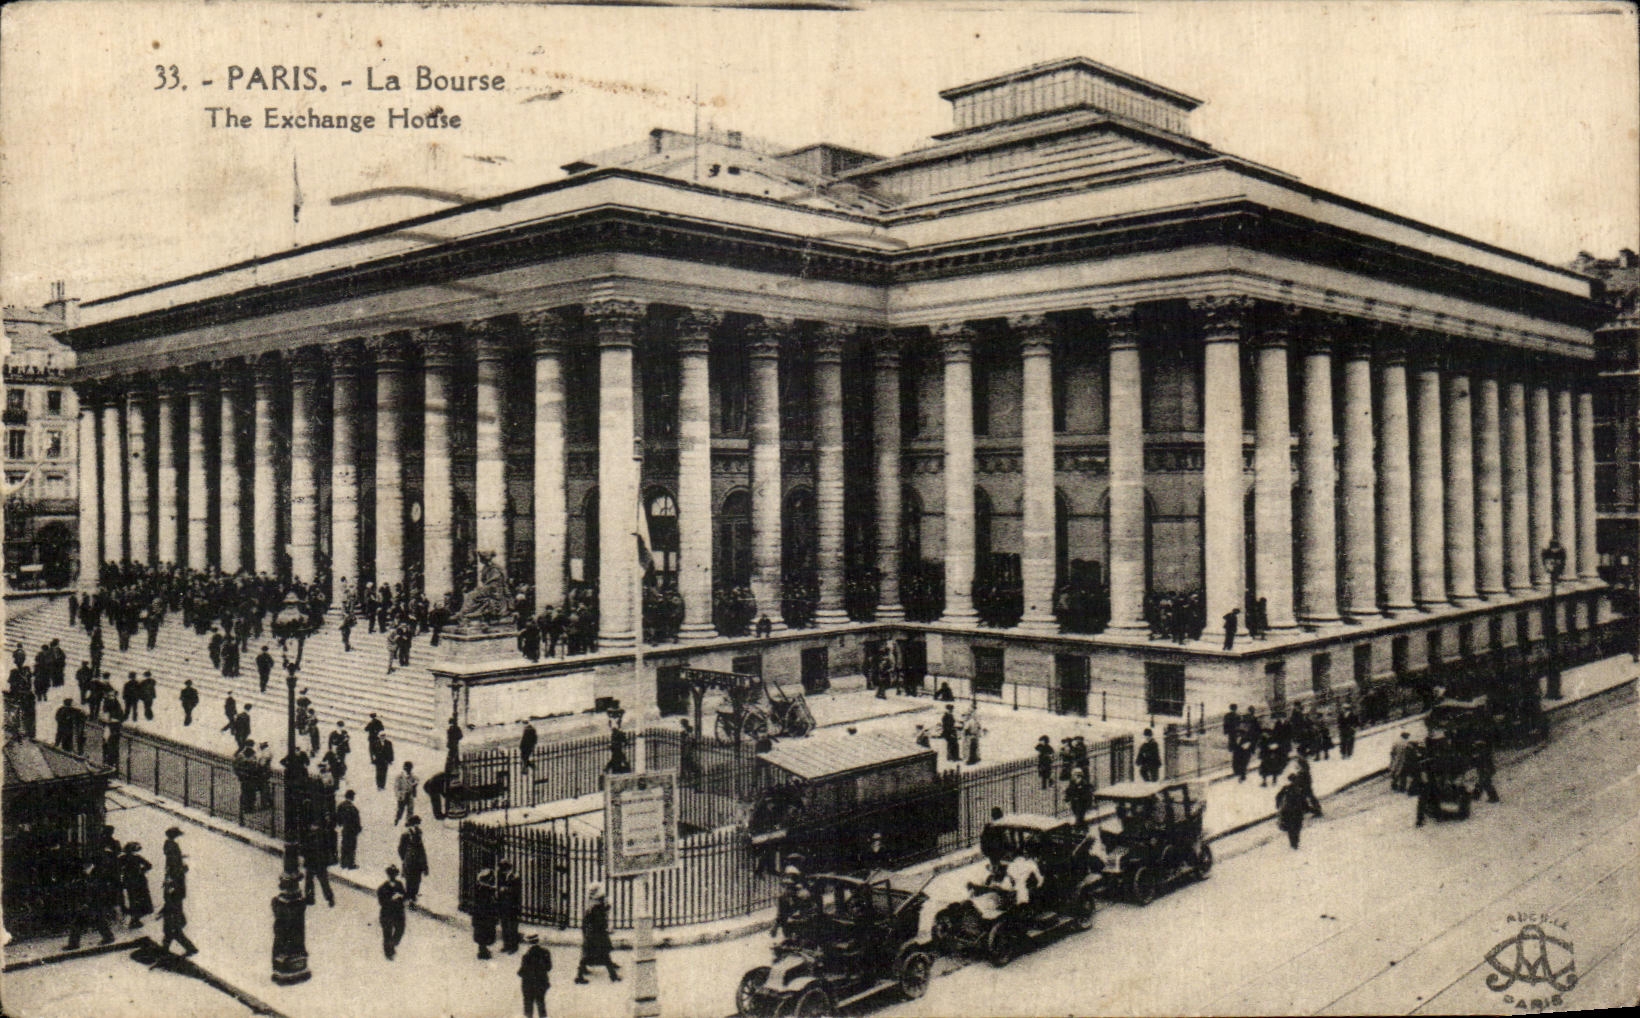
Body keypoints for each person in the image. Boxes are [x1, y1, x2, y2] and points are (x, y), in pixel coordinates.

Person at [64, 855, 117, 950]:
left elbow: (93, 890)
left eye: (86, 867)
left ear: (90, 865)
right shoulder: (88, 876)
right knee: (96, 921)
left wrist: (86, 902)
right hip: (93, 903)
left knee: (81, 922)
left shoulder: (95, 875)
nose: (84, 869)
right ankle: (108, 937)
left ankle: (74, 944)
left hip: (93, 903)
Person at [575, 883, 620, 983]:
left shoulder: (592, 905)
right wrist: (607, 929)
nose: (604, 899)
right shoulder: (596, 907)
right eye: (602, 898)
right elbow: (599, 921)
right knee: (604, 955)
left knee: (587, 955)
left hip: (590, 933)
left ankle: (580, 974)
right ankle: (613, 976)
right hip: (596, 935)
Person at [157, 878, 198, 957]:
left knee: (173, 933)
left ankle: (191, 949)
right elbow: (167, 903)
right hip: (171, 916)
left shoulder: (174, 894)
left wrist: (163, 912)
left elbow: (172, 905)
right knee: (171, 933)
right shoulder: (170, 892)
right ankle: (165, 949)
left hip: (173, 916)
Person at [119, 842, 154, 929]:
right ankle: (136, 920)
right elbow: (149, 865)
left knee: (133, 900)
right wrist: (142, 871)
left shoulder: (122, 858)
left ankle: (134, 920)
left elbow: (117, 868)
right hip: (139, 881)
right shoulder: (137, 858)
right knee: (140, 900)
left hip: (129, 882)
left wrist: (123, 873)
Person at [519, 933, 553, 1018]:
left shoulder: (527, 956)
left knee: (528, 1005)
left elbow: (522, 971)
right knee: (541, 1002)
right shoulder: (545, 952)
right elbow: (549, 967)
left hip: (528, 983)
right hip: (542, 982)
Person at [377, 866, 408, 960]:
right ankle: (388, 953)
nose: (393, 876)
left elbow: (405, 896)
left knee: (400, 929)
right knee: (387, 933)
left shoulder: (399, 884)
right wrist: (392, 899)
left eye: (395, 874)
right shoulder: (382, 888)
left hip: (398, 913)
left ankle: (392, 944)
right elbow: (382, 902)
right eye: (391, 874)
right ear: (388, 875)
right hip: (387, 914)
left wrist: (402, 897)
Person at [397, 815, 430, 903]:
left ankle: (414, 895)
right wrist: (405, 858)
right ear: (410, 824)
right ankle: (410, 895)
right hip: (409, 860)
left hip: (418, 860)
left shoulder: (419, 833)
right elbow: (400, 849)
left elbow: (422, 848)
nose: (416, 826)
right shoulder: (405, 834)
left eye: (417, 824)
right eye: (414, 824)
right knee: (409, 879)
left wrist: (425, 865)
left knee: (417, 879)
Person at [472, 865, 499, 959]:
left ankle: (483, 949)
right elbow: (490, 905)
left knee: (482, 935)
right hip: (485, 919)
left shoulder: (481, 890)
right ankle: (483, 952)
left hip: (481, 919)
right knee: (485, 935)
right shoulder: (485, 892)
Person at [497, 859, 523, 953]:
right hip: (504, 905)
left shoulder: (515, 877)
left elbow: (516, 892)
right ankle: (506, 945)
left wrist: (506, 890)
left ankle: (514, 947)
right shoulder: (502, 875)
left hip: (512, 906)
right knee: (504, 926)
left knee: (513, 927)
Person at [1275, 773, 1307, 849]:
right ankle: (1294, 843)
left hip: (1292, 811)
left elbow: (1278, 797)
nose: (1295, 782)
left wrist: (1278, 805)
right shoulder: (1294, 789)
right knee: (1294, 828)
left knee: (1294, 828)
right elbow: (1279, 797)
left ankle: (1294, 843)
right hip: (1292, 811)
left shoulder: (1290, 789)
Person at [335, 789, 363, 869]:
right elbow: (357, 820)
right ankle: (350, 864)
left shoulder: (341, 805)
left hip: (345, 829)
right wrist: (358, 829)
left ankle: (343, 863)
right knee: (352, 847)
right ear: (352, 797)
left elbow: (338, 818)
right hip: (352, 830)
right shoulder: (353, 808)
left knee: (344, 845)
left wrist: (340, 823)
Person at [163, 827, 188, 899]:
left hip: (171, 868)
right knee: (176, 887)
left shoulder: (168, 843)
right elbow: (174, 858)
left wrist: (181, 856)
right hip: (175, 869)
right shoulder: (173, 845)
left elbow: (172, 855)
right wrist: (182, 867)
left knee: (172, 886)